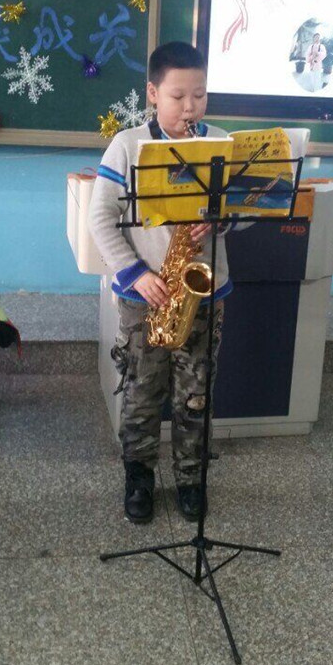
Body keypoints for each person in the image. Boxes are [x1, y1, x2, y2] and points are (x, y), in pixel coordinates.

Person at [89, 42, 234, 525]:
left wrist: (221, 221)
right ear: (152, 93)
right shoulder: (128, 145)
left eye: (200, 95)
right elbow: (100, 219)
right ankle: (139, 477)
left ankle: (191, 477)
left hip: (205, 295)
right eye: (177, 96)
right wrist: (135, 273)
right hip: (144, 295)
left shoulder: (221, 145)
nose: (190, 107)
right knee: (141, 391)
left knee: (197, 392)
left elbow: (243, 214)